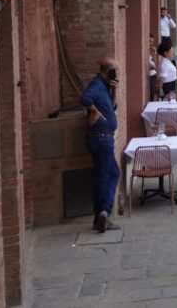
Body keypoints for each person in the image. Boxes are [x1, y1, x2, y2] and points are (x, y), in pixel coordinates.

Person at [79, 58, 121, 233]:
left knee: (111, 173)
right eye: (114, 71)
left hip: (104, 138)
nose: (116, 74)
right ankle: (103, 212)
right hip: (101, 138)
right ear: (106, 71)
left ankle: (101, 214)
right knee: (105, 176)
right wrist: (94, 111)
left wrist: (114, 90)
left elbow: (112, 107)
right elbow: (84, 98)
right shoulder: (97, 84)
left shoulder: (104, 87)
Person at [147, 36, 159, 102]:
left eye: (152, 42)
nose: (151, 43)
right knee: (151, 92)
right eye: (149, 41)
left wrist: (154, 54)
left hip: (153, 73)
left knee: (154, 91)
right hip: (150, 74)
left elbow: (155, 63)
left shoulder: (151, 51)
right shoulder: (146, 52)